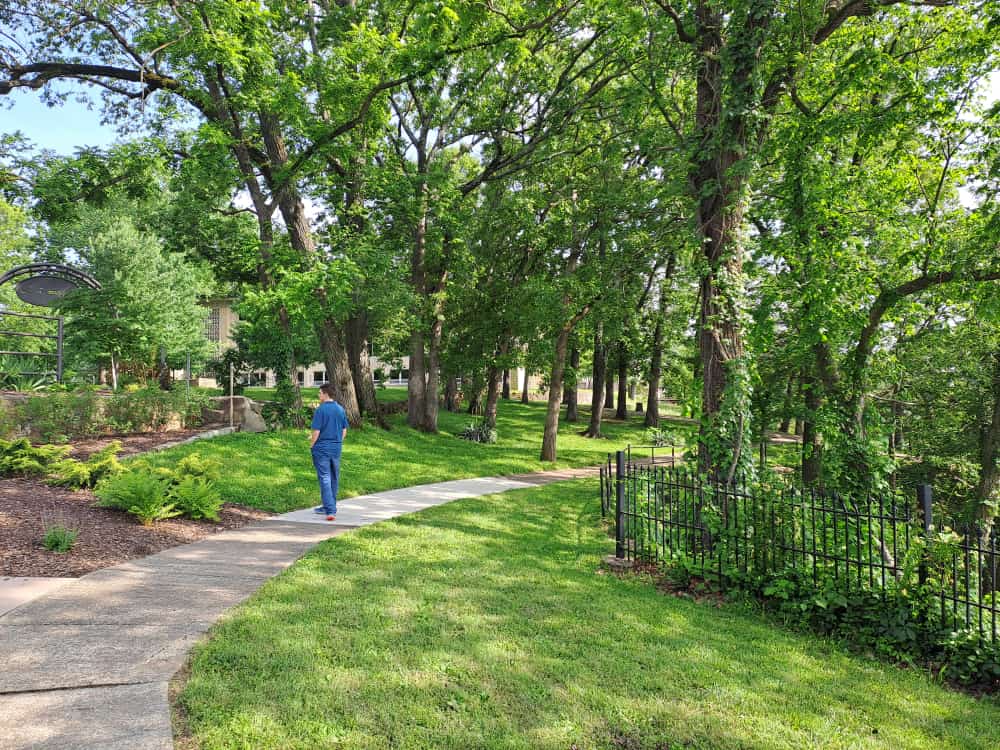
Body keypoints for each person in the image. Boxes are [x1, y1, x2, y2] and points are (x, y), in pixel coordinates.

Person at [310, 383, 348, 521]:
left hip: (321, 449)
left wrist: (312, 445)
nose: (318, 395)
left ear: (326, 394)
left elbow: (316, 432)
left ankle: (330, 510)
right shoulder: (340, 409)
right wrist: (337, 442)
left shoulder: (320, 410)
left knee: (325, 478)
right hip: (336, 448)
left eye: (319, 393)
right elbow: (344, 430)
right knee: (333, 477)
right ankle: (329, 506)